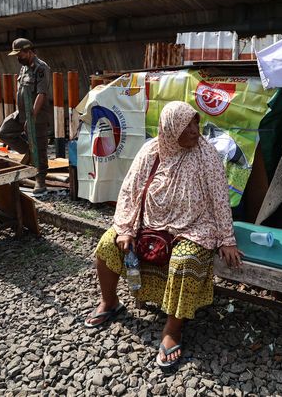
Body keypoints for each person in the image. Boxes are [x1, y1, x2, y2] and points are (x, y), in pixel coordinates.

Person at [84, 101, 244, 369]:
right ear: (170, 130)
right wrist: (125, 228)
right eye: (187, 126)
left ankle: (172, 330)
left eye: (196, 123)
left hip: (194, 226)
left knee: (185, 262)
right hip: (149, 223)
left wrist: (227, 239)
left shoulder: (207, 155)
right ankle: (109, 301)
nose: (195, 130)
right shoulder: (150, 150)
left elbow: (219, 200)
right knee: (108, 244)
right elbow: (129, 191)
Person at [0, 38, 52, 194]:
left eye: (19, 54)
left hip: (37, 115)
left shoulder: (41, 68)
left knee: (40, 149)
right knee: (4, 132)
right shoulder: (24, 68)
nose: (17, 58)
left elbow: (41, 93)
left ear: (28, 52)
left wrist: (32, 116)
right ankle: (29, 153)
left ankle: (40, 182)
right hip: (21, 113)